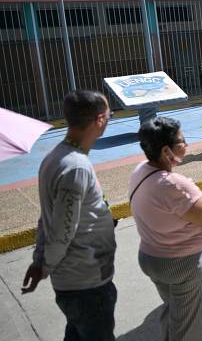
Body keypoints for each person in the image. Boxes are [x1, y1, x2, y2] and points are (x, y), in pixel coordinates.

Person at [22, 90, 117, 340]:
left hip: (80, 284)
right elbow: (62, 231)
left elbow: (47, 218)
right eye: (109, 115)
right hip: (86, 285)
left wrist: (39, 260)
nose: (109, 119)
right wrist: (43, 265)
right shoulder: (75, 168)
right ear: (99, 120)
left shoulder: (55, 158)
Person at [131, 117, 202, 340]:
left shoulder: (141, 170)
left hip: (152, 257)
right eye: (182, 141)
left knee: (174, 312)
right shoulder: (173, 184)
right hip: (181, 263)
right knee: (189, 327)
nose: (186, 145)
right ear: (165, 151)